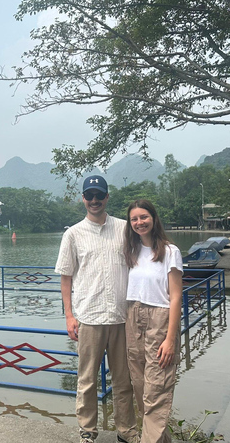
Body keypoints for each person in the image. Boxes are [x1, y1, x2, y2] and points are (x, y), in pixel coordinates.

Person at [56, 175, 139, 443]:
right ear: (83, 199)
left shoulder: (126, 229)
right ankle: (87, 431)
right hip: (88, 318)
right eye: (89, 196)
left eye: (98, 196)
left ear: (107, 198)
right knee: (87, 379)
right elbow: (66, 276)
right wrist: (69, 316)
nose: (94, 200)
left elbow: (143, 262)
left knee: (123, 381)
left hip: (121, 317)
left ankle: (126, 431)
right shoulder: (73, 234)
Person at [123, 199, 183, 443]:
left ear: (154, 218)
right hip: (132, 317)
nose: (139, 222)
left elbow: (177, 297)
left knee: (157, 387)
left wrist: (170, 339)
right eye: (134, 219)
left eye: (144, 217)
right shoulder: (131, 251)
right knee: (140, 386)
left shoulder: (170, 252)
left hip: (159, 318)